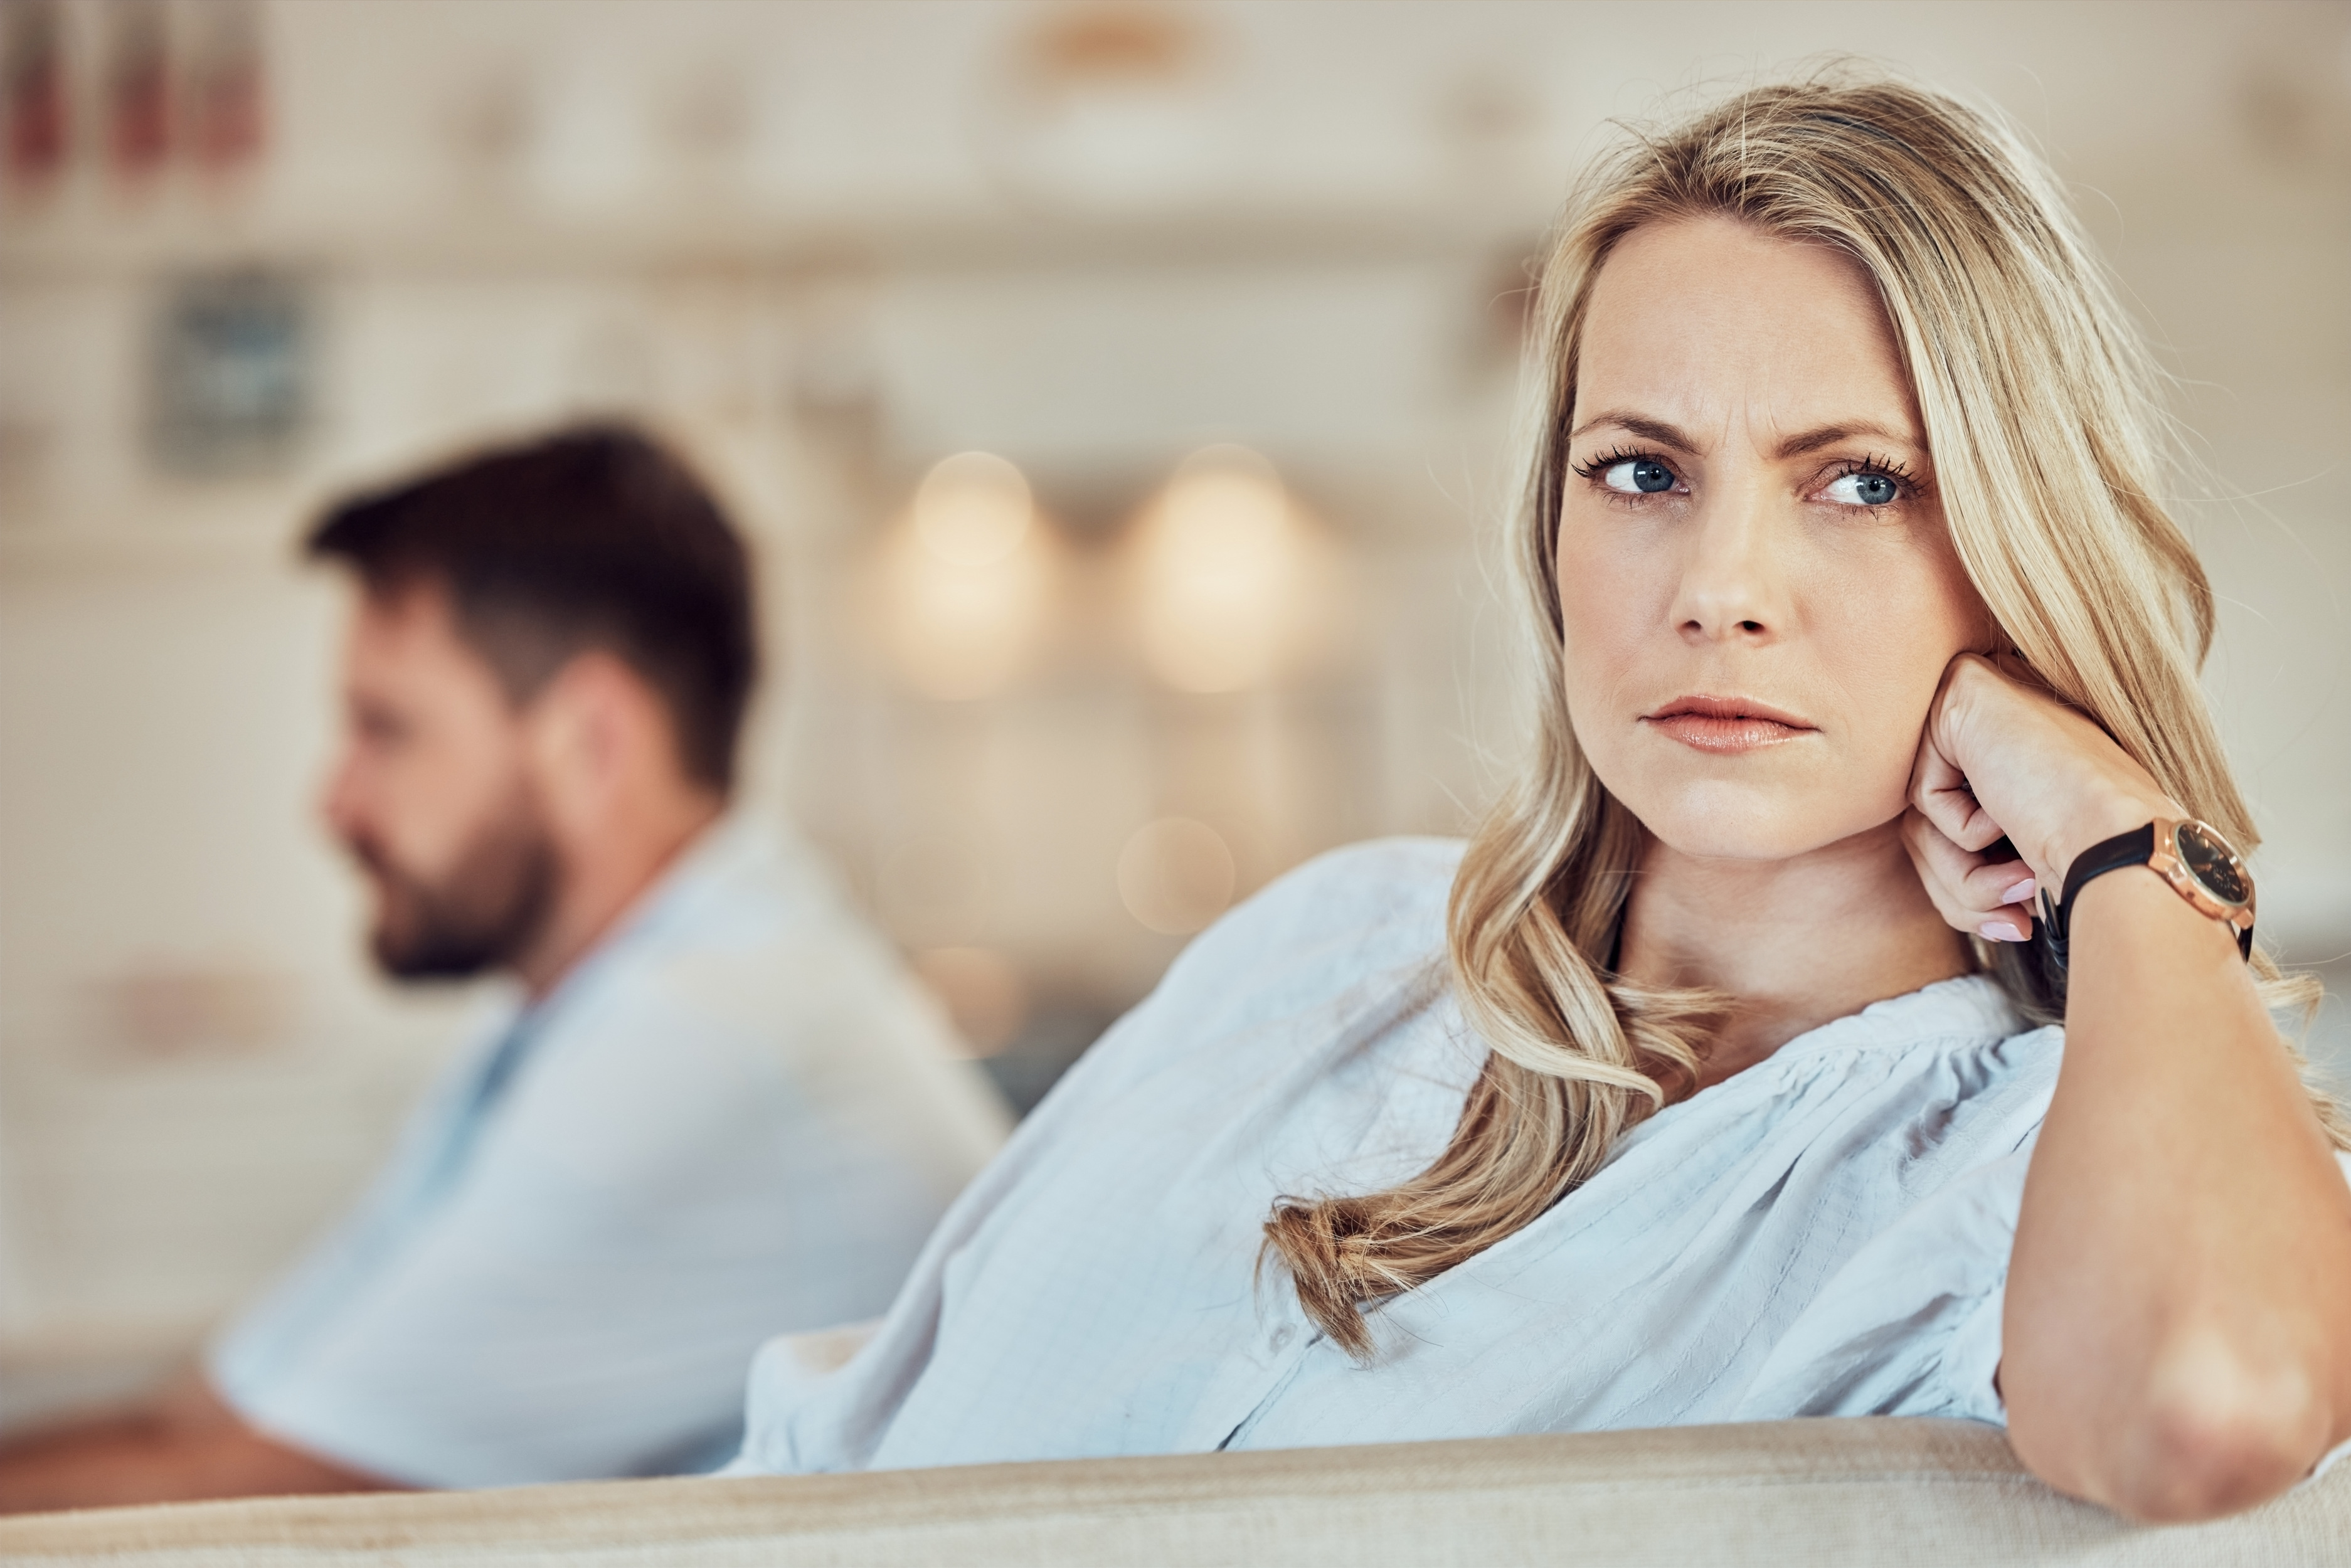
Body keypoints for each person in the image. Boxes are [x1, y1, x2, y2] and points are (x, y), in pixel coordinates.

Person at [724, 76, 2351, 1523]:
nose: (1717, 590)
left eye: (1861, 483)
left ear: (2015, 548)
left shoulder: (2007, 1173)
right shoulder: (1327, 943)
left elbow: (2205, 1402)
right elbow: (829, 1458)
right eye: (1640, 471)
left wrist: (2122, 847)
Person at [0, 426, 1010, 1511]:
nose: (333, 802)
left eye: (387, 731)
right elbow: (235, 1405)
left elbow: (264, 1497)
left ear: (591, 741)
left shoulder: (708, 1033)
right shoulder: (573, 1012)